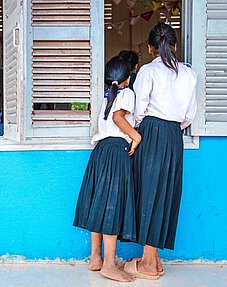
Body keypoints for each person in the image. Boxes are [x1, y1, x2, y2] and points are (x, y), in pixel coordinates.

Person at [123, 23, 197, 280]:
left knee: (149, 191)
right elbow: (189, 115)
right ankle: (151, 259)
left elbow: (138, 109)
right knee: (165, 193)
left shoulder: (147, 71)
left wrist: (137, 131)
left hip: (151, 132)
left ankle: (147, 263)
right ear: (175, 46)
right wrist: (173, 128)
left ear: (149, 48)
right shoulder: (188, 74)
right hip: (174, 135)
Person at [73, 57, 142, 283]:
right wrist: (136, 136)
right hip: (115, 150)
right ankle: (110, 265)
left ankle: (95, 258)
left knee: (99, 202)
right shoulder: (127, 93)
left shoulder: (107, 96)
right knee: (112, 204)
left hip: (100, 151)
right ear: (128, 78)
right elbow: (118, 118)